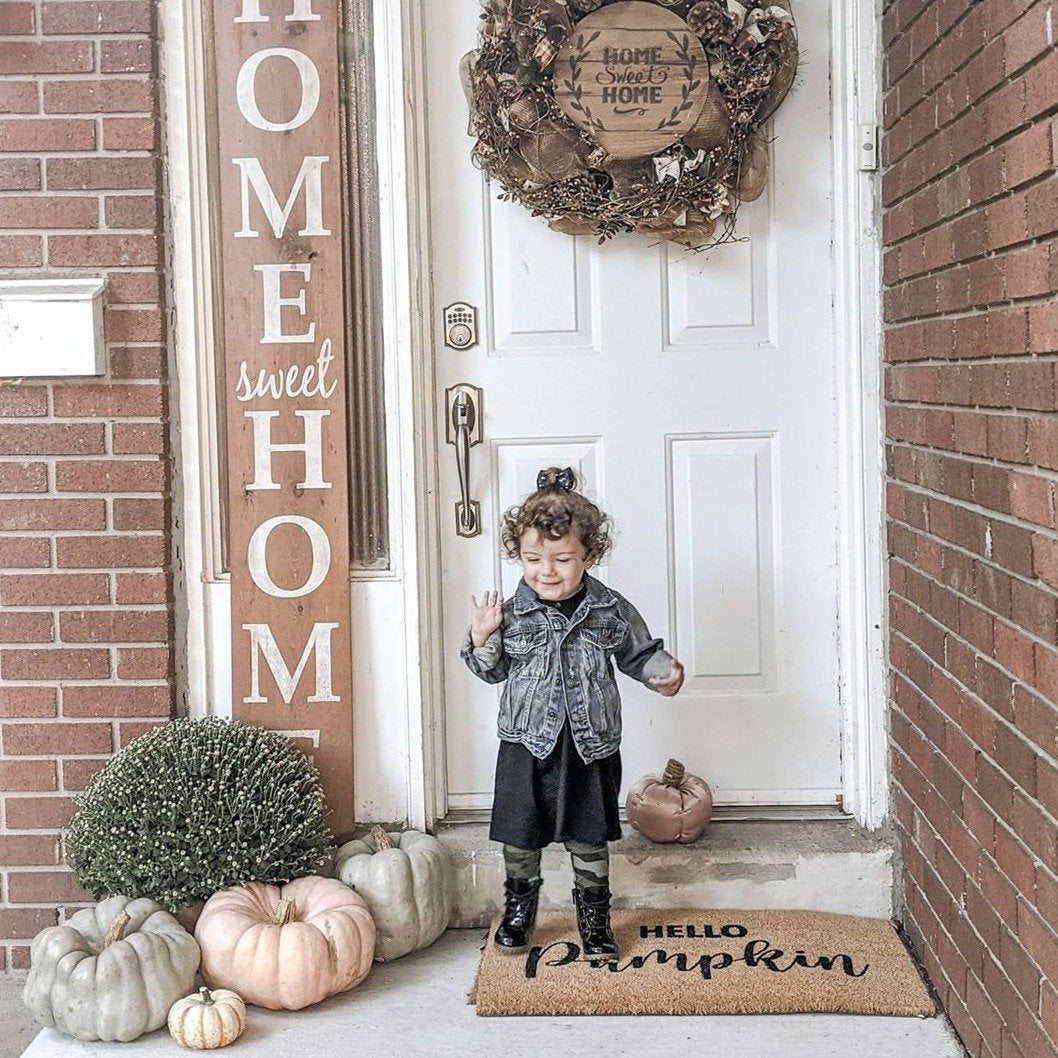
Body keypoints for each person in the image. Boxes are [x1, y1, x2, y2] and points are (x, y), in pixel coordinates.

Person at [461, 466, 685, 958]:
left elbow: (638, 651)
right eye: (532, 558)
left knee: (588, 838)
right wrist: (482, 637)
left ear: (589, 555)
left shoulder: (607, 608)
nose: (547, 570)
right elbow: (491, 672)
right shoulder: (510, 612)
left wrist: (661, 671)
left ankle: (595, 919)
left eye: (563, 559)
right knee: (521, 838)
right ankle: (520, 911)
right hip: (525, 745)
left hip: (590, 745)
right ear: (518, 555)